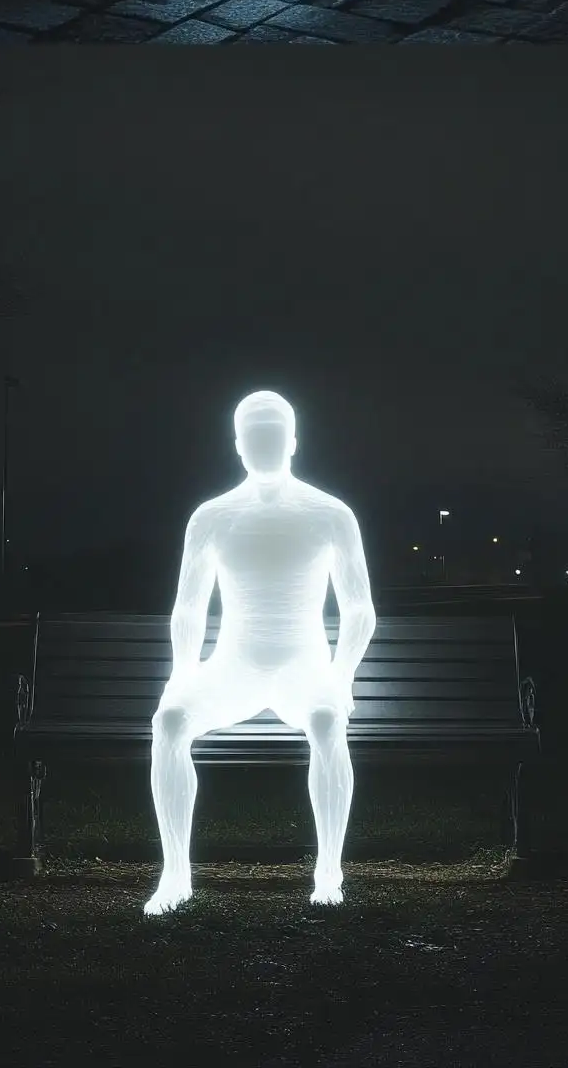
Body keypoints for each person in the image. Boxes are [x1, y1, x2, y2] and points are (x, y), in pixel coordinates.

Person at [145, 390, 375, 914]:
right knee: (170, 721)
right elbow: (188, 609)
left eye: (274, 432)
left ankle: (329, 871)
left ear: (293, 440)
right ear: (237, 444)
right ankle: (175, 873)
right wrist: (183, 673)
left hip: (303, 663)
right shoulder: (213, 516)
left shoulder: (330, 514)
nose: (264, 443)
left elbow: (360, 609)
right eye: (254, 433)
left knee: (324, 721)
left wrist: (343, 677)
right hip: (237, 664)